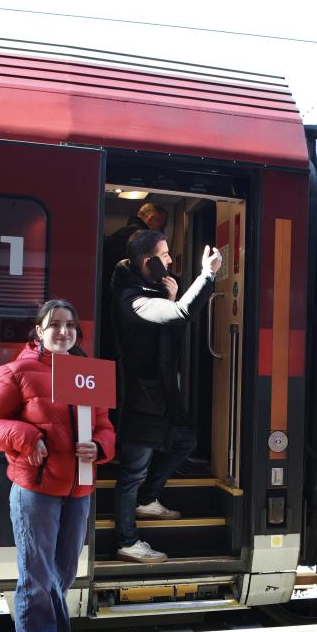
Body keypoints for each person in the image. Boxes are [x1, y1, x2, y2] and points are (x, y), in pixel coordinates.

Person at [0, 299, 116, 632]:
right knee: (35, 579)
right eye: (54, 324)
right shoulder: (16, 372)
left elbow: (105, 426)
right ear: (38, 331)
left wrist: (100, 446)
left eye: (70, 325)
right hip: (36, 491)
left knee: (60, 576)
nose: (63, 331)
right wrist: (26, 436)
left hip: (78, 491)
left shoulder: (88, 373)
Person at [109, 229, 222, 563]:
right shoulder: (131, 298)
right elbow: (181, 315)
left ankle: (148, 499)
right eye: (165, 254)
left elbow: (173, 331)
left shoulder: (151, 292)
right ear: (149, 261)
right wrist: (207, 275)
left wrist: (172, 299)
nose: (171, 260)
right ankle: (127, 541)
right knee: (132, 472)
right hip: (139, 399)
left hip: (159, 395)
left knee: (185, 440)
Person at [99, 202, 169, 360]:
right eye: (162, 225)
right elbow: (150, 278)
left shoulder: (121, 235)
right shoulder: (141, 239)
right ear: (151, 219)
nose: (162, 231)